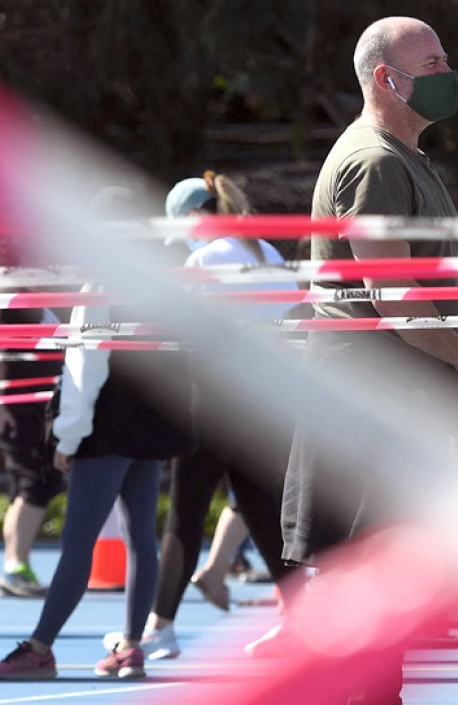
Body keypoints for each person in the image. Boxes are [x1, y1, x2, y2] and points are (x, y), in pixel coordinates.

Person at [280, 16, 458, 703]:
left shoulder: (404, 158)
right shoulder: (376, 161)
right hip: (371, 402)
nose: (448, 73)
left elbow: (434, 289)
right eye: (432, 62)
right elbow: (394, 295)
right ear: (388, 78)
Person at [0, 187, 196, 680]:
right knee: (142, 539)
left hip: (107, 425)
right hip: (153, 425)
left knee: (78, 544)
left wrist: (67, 437)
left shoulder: (100, 284)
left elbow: (85, 368)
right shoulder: (164, 279)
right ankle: (131, 647)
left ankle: (39, 649)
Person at [111, 172, 301, 661]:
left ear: (197, 217)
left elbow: (173, 331)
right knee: (262, 513)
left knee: (185, 516)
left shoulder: (205, 259)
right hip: (266, 403)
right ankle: (304, 621)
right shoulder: (269, 255)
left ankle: (159, 627)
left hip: (213, 404)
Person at [0, 292, 67, 598]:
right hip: (20, 411)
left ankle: (16, 564)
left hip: (42, 410)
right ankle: (15, 566)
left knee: (29, 486)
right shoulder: (6, 300)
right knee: (35, 483)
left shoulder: (40, 303)